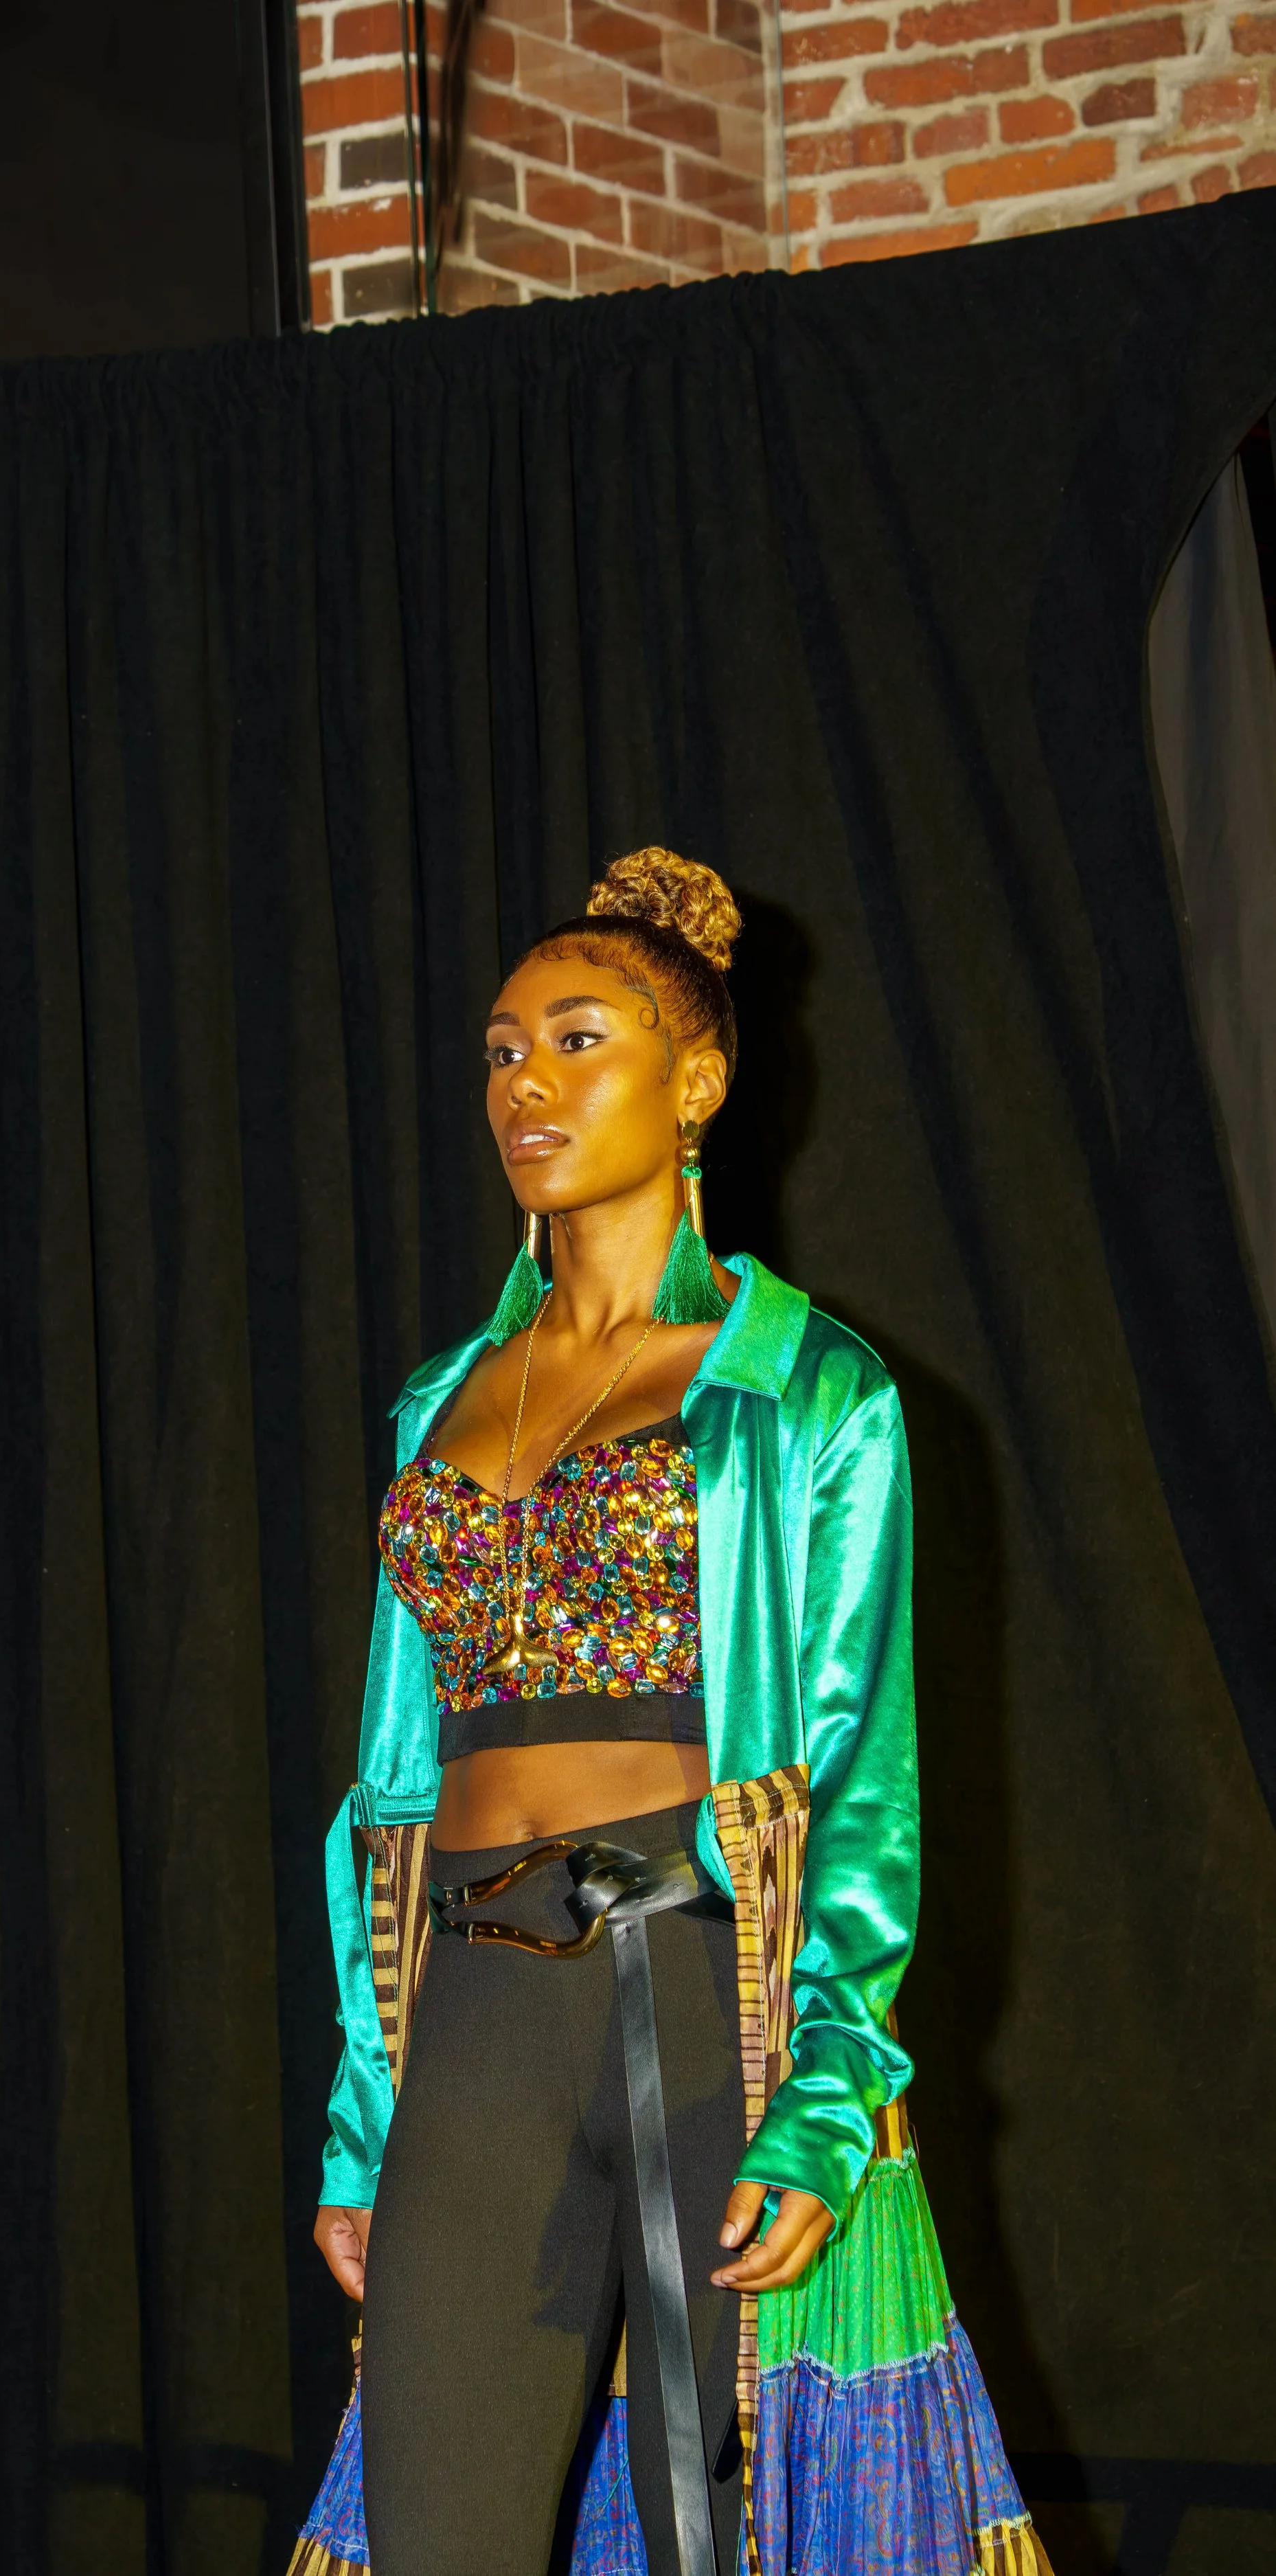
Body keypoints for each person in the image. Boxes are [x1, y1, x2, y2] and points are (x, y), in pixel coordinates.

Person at [290, 850, 1049, 2576]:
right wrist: (363, 2107)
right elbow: (386, 1781)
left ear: (693, 1082)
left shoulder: (804, 1387)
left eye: (577, 1041)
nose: (525, 1085)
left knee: (714, 2535)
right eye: (500, 1052)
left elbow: (858, 1773)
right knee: (434, 2532)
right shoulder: (438, 1400)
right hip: (473, 2007)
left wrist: (826, 2093)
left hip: (701, 1998)